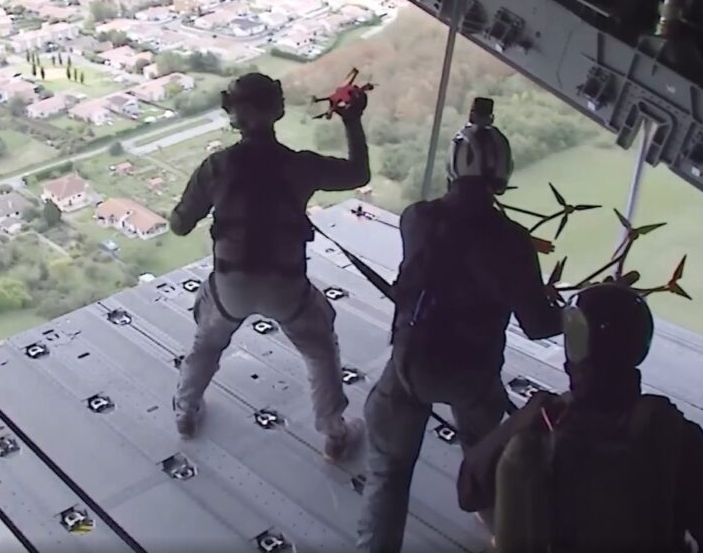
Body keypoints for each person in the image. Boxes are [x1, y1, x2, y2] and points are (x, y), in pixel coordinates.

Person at [357, 97, 564, 553]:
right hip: (473, 376)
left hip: (409, 367)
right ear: (501, 174)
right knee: (489, 467)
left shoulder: (416, 218)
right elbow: (537, 324)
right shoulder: (511, 243)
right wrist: (571, 313)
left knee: (389, 477)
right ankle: (500, 535)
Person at [458, 284, 703, 553]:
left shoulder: (539, 420)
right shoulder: (678, 436)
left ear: (573, 346)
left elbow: (470, 488)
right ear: (640, 348)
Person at [169, 72, 370, 462]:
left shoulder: (217, 167)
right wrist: (351, 120)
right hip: (286, 286)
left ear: (233, 115)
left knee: (206, 345)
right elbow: (358, 174)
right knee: (319, 350)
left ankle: (184, 413)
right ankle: (334, 433)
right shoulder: (301, 167)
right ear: (277, 110)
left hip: (231, 285)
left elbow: (179, 226)